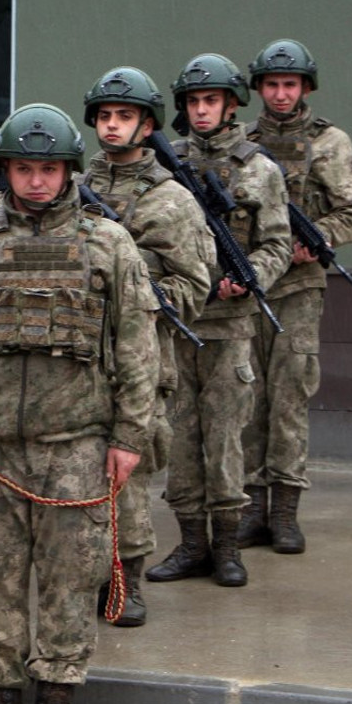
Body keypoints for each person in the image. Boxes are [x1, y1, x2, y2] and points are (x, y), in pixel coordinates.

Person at [0, 103, 159, 704]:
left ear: (68, 171)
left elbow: (139, 347)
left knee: (70, 578)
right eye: (24, 168)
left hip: (77, 445)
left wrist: (129, 437)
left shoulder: (108, 245)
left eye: (49, 169)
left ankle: (57, 690)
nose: (36, 181)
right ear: (6, 170)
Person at [144, 53, 292, 589]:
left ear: (232, 105)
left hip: (230, 324)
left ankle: (228, 545)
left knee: (226, 438)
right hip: (178, 319)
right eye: (193, 102)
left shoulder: (259, 168)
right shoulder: (162, 165)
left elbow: (278, 241)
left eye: (211, 101)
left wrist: (248, 275)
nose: (201, 111)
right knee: (180, 435)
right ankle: (190, 543)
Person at [80, 66, 215, 626]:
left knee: (128, 475)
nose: (113, 127)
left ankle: (127, 583)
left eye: (125, 117)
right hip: (76, 354)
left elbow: (194, 285)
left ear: (147, 124)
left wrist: (143, 296)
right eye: (106, 117)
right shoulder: (70, 183)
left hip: (139, 358)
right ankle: (83, 576)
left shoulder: (172, 200)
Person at [239, 39, 352, 555]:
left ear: (305, 88)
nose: (279, 94)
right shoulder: (242, 143)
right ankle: (249, 509)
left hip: (298, 286)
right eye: (271, 85)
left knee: (289, 397)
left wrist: (311, 242)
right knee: (248, 398)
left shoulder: (330, 142)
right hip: (248, 285)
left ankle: (285, 512)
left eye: (288, 84)